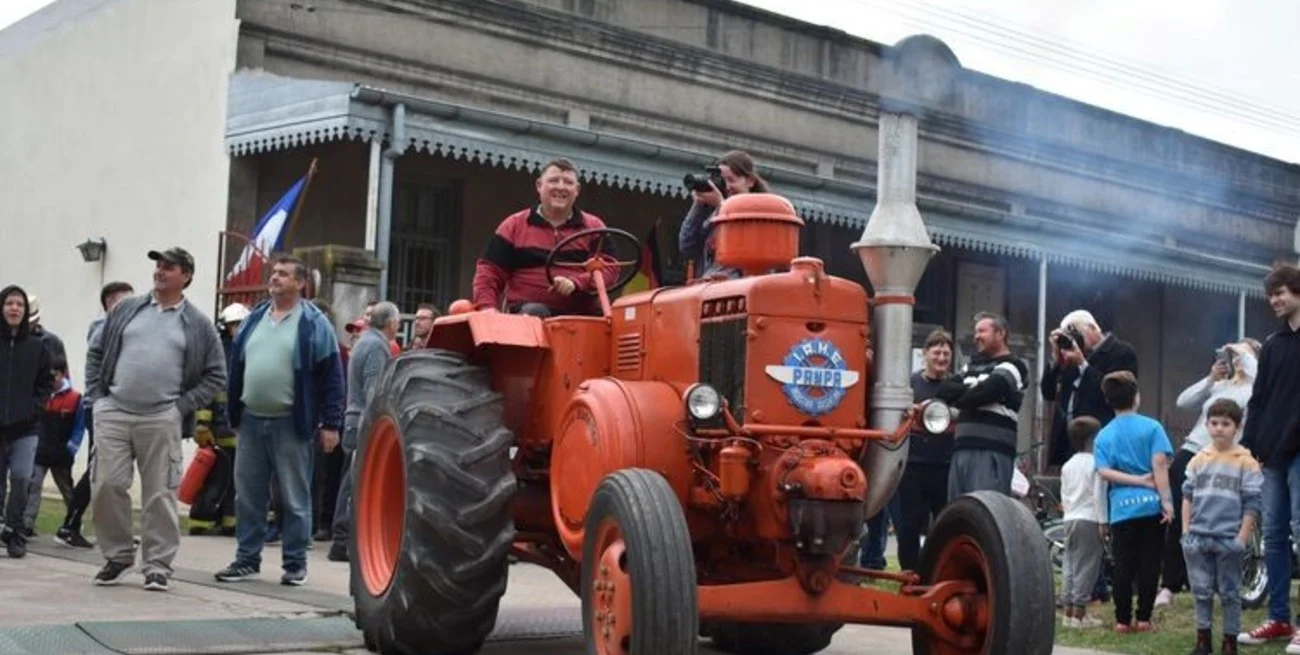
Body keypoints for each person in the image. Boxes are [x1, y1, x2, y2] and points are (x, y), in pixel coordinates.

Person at [85, 247, 227, 589]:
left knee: (160, 494)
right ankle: (118, 555)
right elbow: (96, 351)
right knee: (107, 484)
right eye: (158, 265)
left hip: (162, 417)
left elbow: (217, 376)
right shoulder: (127, 310)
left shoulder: (198, 324)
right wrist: (97, 399)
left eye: (169, 266)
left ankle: (158, 565)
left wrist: (180, 408)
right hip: (114, 411)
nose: (160, 271)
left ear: (186, 276)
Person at [215, 254, 344, 587]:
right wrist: (234, 413)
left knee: (294, 498)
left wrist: (332, 424)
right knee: (248, 496)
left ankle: (295, 564)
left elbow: (332, 377)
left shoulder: (314, 324)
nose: (275, 278)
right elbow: (238, 367)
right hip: (251, 422)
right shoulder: (255, 318)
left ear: (300, 283)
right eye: (274, 273)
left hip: (292, 423)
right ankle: (246, 560)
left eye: (284, 274)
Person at [1157, 339, 1259, 607]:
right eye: (1232, 354)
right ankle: (1169, 584)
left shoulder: (1254, 388)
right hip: (1193, 452)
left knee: (1216, 519)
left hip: (1225, 458)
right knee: (1179, 518)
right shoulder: (1221, 385)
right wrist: (1210, 378)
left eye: (1241, 355)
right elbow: (1183, 402)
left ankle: (1210, 581)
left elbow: (1259, 381)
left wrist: (1244, 353)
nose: (1235, 359)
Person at [1238, 263, 1300, 649]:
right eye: (1271, 294)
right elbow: (1258, 402)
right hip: (1273, 457)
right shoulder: (1274, 344)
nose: (1274, 300)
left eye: (1280, 292)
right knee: (1274, 538)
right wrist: (1252, 446)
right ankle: (1279, 619)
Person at [471, 158, 616, 318]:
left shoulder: (594, 227)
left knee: (623, 318)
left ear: (577, 190)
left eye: (568, 182)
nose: (561, 187)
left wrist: (576, 282)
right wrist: (487, 308)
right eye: (554, 180)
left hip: (583, 315)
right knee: (535, 311)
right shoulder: (514, 225)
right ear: (539, 186)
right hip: (528, 312)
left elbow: (610, 268)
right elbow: (489, 271)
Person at [1092, 370, 1174, 633]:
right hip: (1151, 507)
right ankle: (1144, 618)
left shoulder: (1103, 435)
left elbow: (1103, 472)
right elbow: (1159, 465)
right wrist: (1166, 501)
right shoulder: (1152, 427)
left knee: (1123, 565)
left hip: (1121, 510)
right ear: (1137, 397)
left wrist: (1132, 481)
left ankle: (1121, 620)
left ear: (1108, 401)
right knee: (1150, 564)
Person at [56, 281, 134, 549]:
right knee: (100, 468)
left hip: (122, 409)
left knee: (111, 470)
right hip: (100, 409)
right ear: (110, 304)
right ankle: (70, 524)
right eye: (125, 301)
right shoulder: (102, 330)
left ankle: (106, 528)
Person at [1182, 398, 1261, 655]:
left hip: (1229, 538)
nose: (1218, 428)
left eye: (1225, 423)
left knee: (1230, 593)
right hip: (1198, 537)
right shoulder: (1198, 460)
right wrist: (1186, 531)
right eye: (1214, 423)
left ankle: (1230, 641)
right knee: (1201, 592)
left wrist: (1242, 536)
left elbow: (1252, 503)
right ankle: (1202, 640)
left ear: (1237, 428)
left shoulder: (1245, 461)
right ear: (1206, 425)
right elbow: (1187, 496)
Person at [329, 301, 399, 562]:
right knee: (354, 483)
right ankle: (343, 540)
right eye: (398, 323)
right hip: (361, 423)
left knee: (350, 480)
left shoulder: (364, 342)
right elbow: (374, 392)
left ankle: (342, 539)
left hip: (352, 421)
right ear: (391, 324)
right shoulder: (376, 346)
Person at [938, 312, 1029, 499]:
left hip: (991, 451)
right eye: (975, 332)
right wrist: (973, 391)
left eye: (982, 331)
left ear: (1000, 333)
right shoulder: (971, 365)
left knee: (986, 510)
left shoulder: (1014, 365)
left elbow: (985, 393)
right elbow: (944, 390)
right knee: (958, 512)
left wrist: (965, 394)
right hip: (961, 448)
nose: (976, 336)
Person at [1042, 309, 1139, 467]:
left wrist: (1083, 366)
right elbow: (1048, 393)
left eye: (1076, 334)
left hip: (1099, 439)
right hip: (1068, 443)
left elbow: (1116, 394)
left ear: (1092, 328)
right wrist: (1055, 359)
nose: (1074, 340)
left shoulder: (1121, 352)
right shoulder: (1070, 357)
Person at [0, 286, 54, 558]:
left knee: (22, 479)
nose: (14, 308)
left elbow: (47, 384)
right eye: (9, 303)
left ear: (25, 311)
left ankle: (16, 530)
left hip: (26, 427)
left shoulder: (38, 347)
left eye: (19, 304)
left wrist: (34, 407)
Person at [187, 302, 250, 536]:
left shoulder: (246, 350)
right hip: (218, 428)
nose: (239, 329)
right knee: (215, 475)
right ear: (226, 326)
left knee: (235, 478)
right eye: (235, 325)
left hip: (239, 427)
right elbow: (207, 391)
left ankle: (229, 522)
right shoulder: (218, 353)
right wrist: (202, 424)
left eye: (242, 324)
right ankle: (202, 519)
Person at [894, 329, 954, 572]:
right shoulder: (910, 384)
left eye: (946, 353)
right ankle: (910, 574)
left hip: (945, 466)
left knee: (943, 523)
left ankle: (938, 571)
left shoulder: (955, 386)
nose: (941, 358)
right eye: (937, 352)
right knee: (908, 524)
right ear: (925, 354)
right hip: (913, 466)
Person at [678, 150, 770, 280]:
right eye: (722, 181)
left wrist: (722, 205)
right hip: (708, 288)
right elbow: (687, 247)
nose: (726, 187)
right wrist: (699, 205)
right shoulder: (715, 213)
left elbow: (747, 246)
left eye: (731, 180)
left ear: (750, 181)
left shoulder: (762, 212)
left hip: (739, 290)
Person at [23, 353, 84, 536]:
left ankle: (73, 525)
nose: (52, 379)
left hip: (61, 453)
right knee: (33, 486)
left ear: (63, 374)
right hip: (40, 451)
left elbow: (79, 427)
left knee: (68, 491)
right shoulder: (42, 394)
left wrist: (72, 447)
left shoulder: (74, 398)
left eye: (55, 375)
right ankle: (27, 524)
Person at [1060, 416, 1105, 629]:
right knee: (1087, 566)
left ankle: (1068, 612)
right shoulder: (1097, 464)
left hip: (1070, 517)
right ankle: (1079, 614)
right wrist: (1103, 521)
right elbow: (1098, 494)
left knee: (1070, 564)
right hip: (1090, 517)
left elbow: (1065, 495)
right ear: (1093, 440)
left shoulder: (1068, 465)